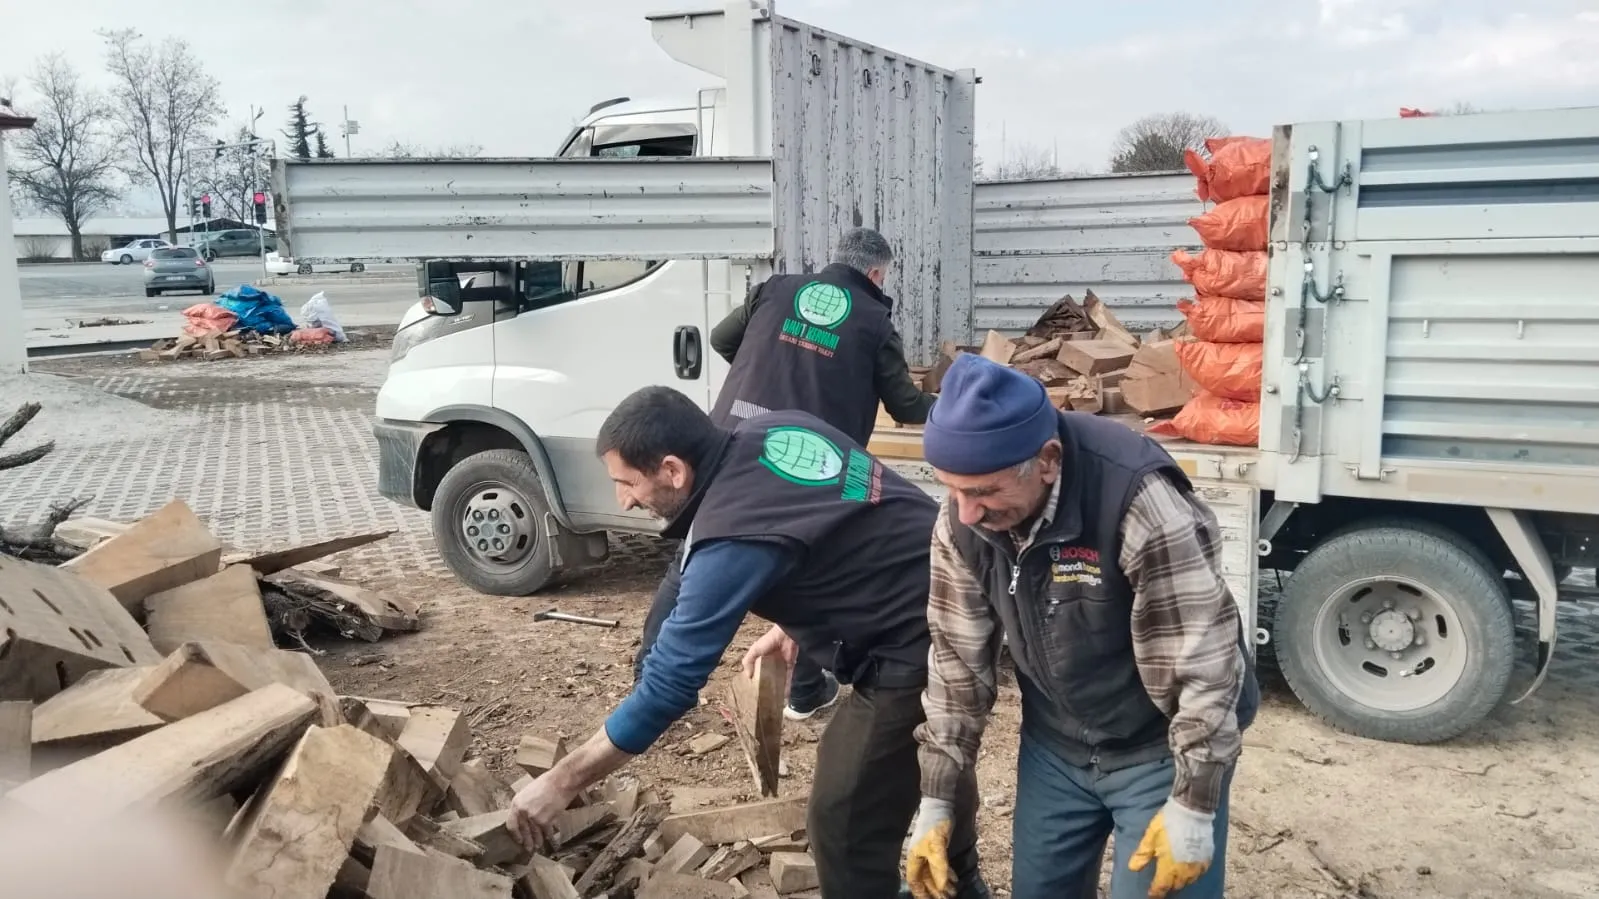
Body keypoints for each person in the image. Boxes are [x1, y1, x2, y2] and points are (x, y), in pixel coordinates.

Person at [510, 386, 988, 899]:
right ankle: (964, 885)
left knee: (843, 817)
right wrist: (793, 622)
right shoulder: (776, 429)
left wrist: (561, 782)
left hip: (920, 639)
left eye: (627, 483)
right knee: (931, 757)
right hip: (949, 580)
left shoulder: (733, 536)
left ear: (673, 470)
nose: (622, 500)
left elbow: (668, 689)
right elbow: (847, 522)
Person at [902, 354, 1260, 899]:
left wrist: (1194, 801)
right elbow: (955, 662)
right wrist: (935, 798)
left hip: (1157, 743)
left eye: (982, 493)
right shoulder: (962, 524)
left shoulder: (1138, 502)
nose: (966, 512)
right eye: (953, 490)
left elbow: (1203, 664)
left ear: (1047, 460)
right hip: (1057, 746)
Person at [634, 226, 937, 722]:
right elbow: (904, 405)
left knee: (695, 555)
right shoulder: (873, 320)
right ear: (877, 273)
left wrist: (773, 363)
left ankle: (649, 677)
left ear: (834, 258)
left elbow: (720, 338)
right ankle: (803, 690)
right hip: (807, 466)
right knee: (804, 566)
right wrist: (950, 403)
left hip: (731, 440)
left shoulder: (774, 289)